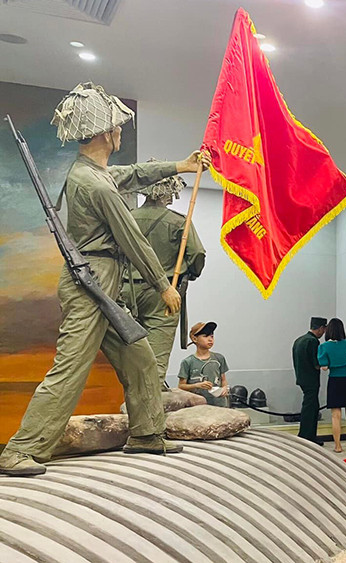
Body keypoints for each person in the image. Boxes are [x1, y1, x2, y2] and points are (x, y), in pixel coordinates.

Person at [0, 83, 204, 476]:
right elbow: (132, 240)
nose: (120, 131)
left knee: (140, 359)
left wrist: (181, 165)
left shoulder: (93, 174)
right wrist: (163, 285)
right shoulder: (95, 184)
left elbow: (133, 174)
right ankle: (21, 449)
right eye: (116, 126)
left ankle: (146, 434)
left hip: (104, 284)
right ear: (104, 133)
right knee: (70, 369)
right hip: (91, 286)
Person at [121, 164, 206, 389]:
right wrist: (191, 273)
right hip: (163, 295)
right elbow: (197, 254)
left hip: (125, 292)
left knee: (129, 356)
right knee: (156, 362)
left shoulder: (126, 218)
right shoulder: (178, 221)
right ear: (167, 192)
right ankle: (150, 403)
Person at [318, 318, 346, 453]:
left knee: (335, 416)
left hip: (335, 380)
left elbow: (324, 367)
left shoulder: (324, 347)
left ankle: (338, 446)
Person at [177, 321, 229, 407]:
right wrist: (197, 385)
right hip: (197, 406)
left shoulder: (219, 358)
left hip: (219, 405)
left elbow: (223, 380)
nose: (210, 339)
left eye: (212, 336)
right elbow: (181, 386)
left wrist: (225, 388)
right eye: (205, 336)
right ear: (195, 339)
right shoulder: (188, 362)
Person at [292, 317, 327, 444]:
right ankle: (307, 436)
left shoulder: (299, 340)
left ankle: (307, 435)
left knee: (310, 406)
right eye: (324, 329)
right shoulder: (313, 341)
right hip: (311, 379)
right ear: (321, 328)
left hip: (302, 377)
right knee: (311, 408)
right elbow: (316, 363)